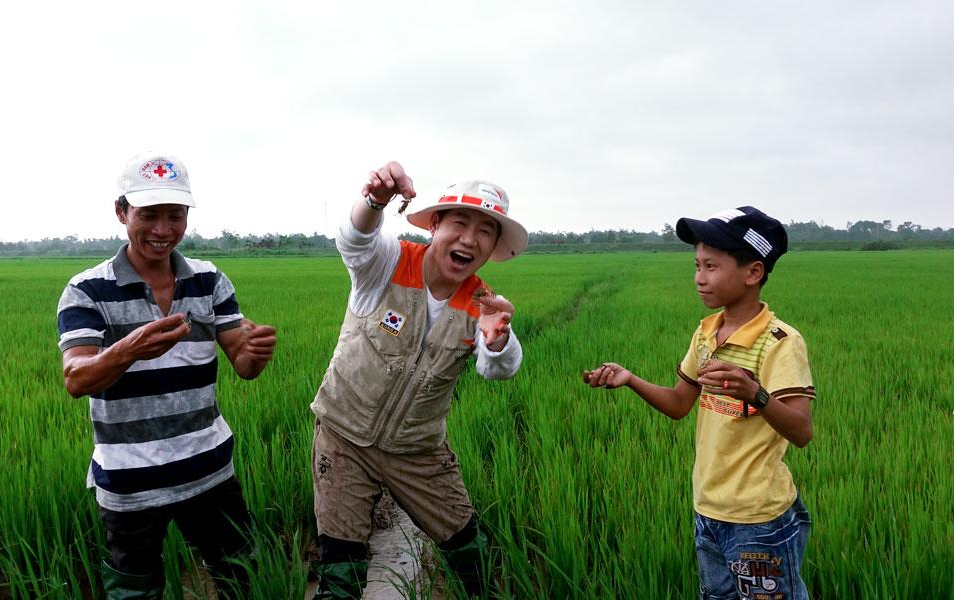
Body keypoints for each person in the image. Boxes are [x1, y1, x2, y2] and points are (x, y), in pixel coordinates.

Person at [56, 152, 277, 600]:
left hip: (210, 469)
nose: (163, 230)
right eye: (149, 215)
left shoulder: (209, 280)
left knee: (241, 576)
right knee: (135, 589)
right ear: (122, 212)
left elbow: (243, 365)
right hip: (130, 481)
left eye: (175, 216)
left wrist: (255, 352)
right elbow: (76, 379)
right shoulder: (86, 291)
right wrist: (129, 349)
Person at [309, 161, 526, 599]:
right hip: (344, 437)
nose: (470, 239)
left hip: (418, 450)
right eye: (460, 223)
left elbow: (497, 367)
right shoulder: (388, 262)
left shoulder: (483, 302)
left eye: (485, 231)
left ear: (493, 247)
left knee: (470, 551)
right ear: (435, 225)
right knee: (340, 569)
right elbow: (354, 240)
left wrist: (499, 338)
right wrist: (374, 201)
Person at [583, 206, 815, 600]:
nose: (699, 278)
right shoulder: (706, 333)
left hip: (758, 517)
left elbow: (802, 431)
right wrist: (630, 379)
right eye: (697, 266)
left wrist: (755, 394)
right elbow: (679, 403)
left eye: (711, 267)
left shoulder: (780, 342)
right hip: (708, 508)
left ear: (753, 272)